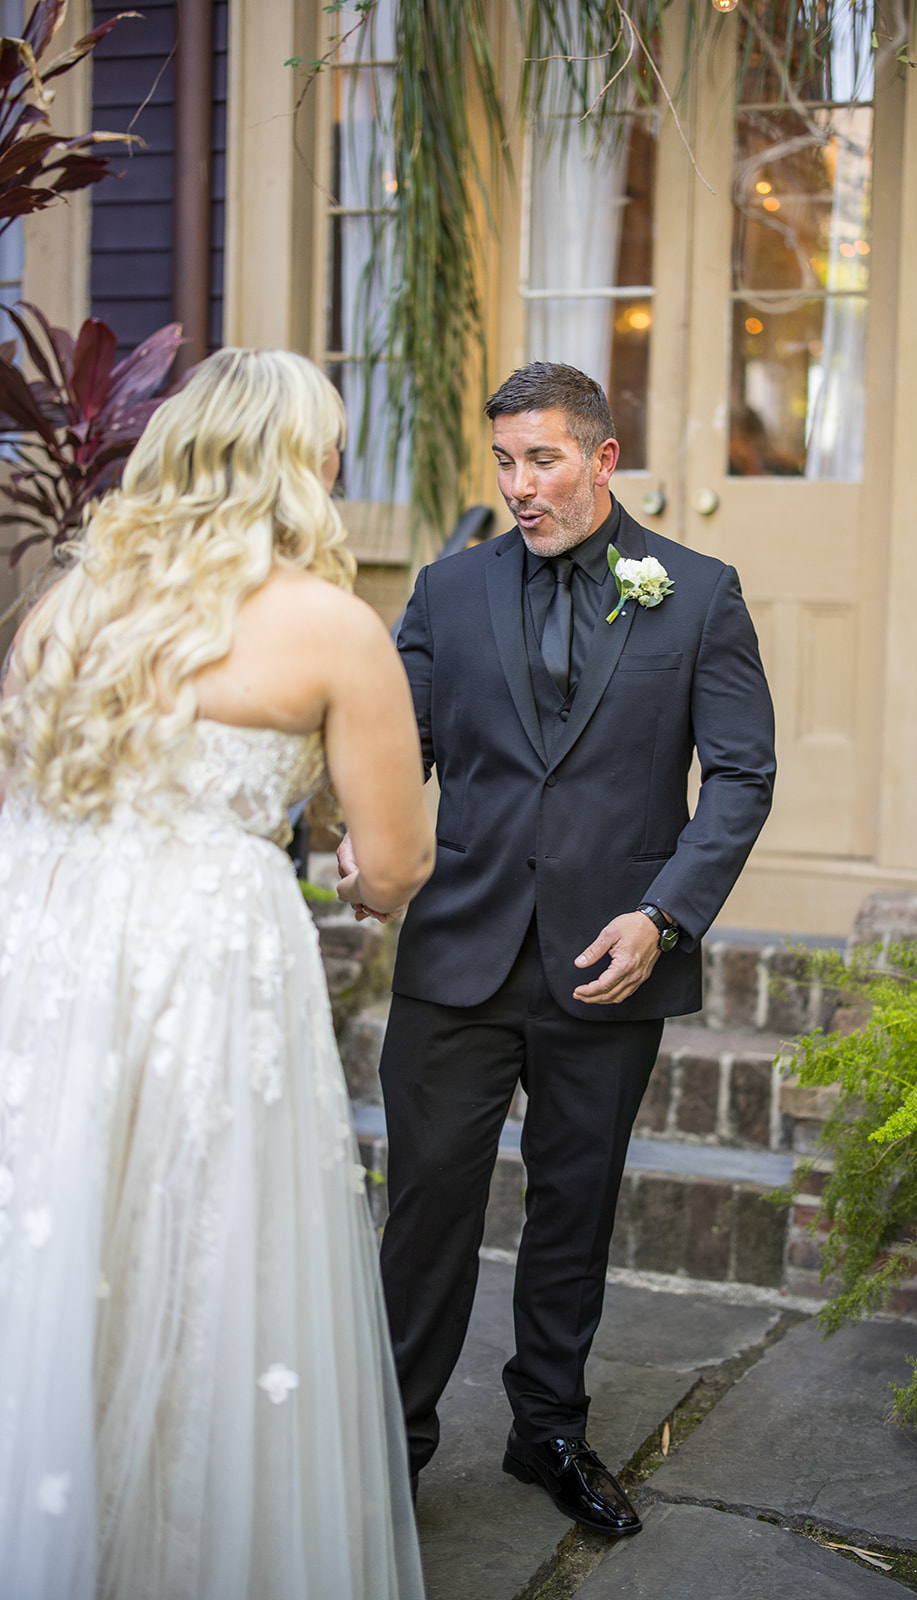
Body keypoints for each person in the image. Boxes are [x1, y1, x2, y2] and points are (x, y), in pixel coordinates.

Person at [0, 349, 434, 1599]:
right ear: (302, 465)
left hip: (53, 959)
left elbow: (31, 797)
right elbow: (396, 865)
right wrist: (357, 870)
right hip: (208, 961)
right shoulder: (331, 626)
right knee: (205, 1253)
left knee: (64, 1235)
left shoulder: (64, 612)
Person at [338, 362, 776, 1536]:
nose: (519, 487)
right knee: (426, 1207)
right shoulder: (444, 589)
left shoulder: (696, 592)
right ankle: (396, 1445)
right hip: (459, 957)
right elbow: (397, 741)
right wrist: (352, 834)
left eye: (540, 460)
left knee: (573, 1209)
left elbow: (740, 772)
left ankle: (548, 1433)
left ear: (600, 458)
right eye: (503, 463)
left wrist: (664, 913)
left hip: (609, 956)